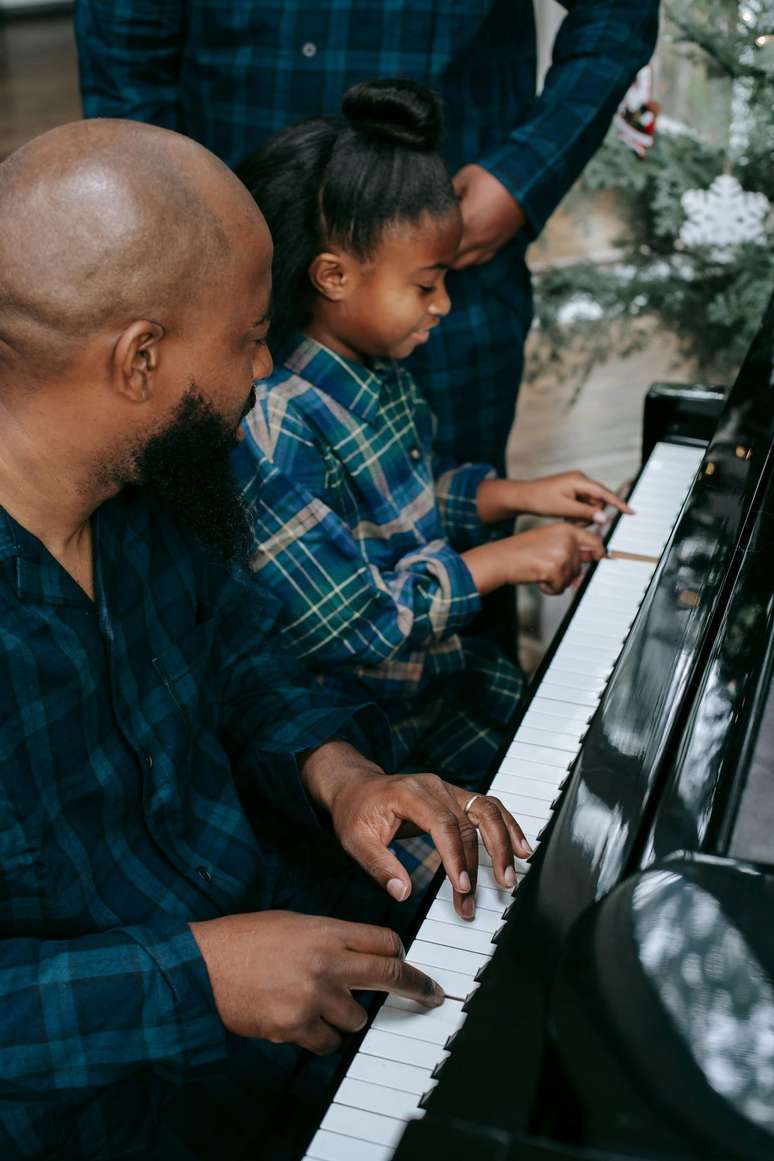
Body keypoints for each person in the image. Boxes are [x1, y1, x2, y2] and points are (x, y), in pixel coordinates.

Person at [0, 118, 530, 1160]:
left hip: (280, 979)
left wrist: (342, 777)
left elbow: (248, 659)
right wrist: (200, 976)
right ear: (141, 358)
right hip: (88, 1113)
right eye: (248, 338)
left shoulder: (162, 484)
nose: (263, 374)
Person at [232, 80, 629, 853]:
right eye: (425, 283)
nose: (443, 303)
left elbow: (401, 505)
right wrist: (500, 561)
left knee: (594, 771)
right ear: (333, 276)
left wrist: (511, 495)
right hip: (367, 735)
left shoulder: (377, 371)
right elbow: (359, 621)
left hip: (436, 685)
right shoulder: (277, 424)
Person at [74, 0, 660, 474]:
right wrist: (167, 225)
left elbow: (616, 12)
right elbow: (125, 47)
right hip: (218, 270)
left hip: (445, 268)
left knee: (449, 515)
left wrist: (525, 172)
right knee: (222, 541)